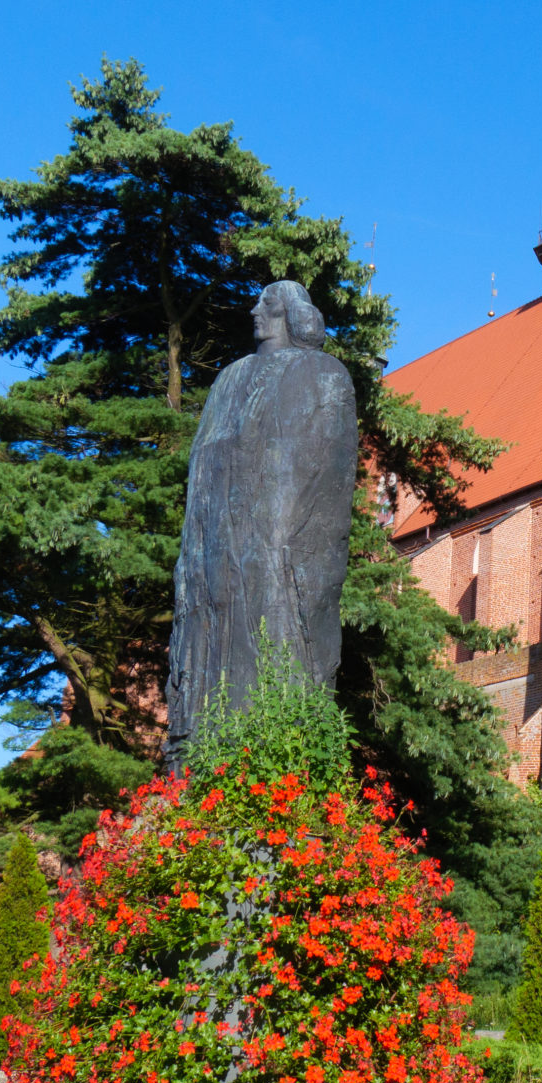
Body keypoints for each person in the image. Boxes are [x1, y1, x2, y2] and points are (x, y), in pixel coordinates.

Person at [163, 280, 357, 764]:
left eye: (266, 302)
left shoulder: (322, 372)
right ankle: (199, 749)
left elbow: (321, 463)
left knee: (275, 632)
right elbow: (203, 461)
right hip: (217, 537)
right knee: (213, 632)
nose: (253, 310)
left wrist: (281, 531)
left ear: (292, 313)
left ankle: (274, 749)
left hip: (278, 534)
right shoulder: (229, 379)